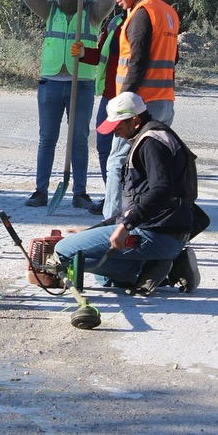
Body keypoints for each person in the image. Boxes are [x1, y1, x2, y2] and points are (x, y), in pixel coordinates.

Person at [54, 92, 199, 293]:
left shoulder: (152, 143)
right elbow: (138, 202)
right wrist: (95, 230)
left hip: (158, 234)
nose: (115, 133)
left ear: (135, 121)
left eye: (118, 126)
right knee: (103, 279)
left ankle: (147, 270)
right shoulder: (153, 135)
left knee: (64, 251)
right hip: (167, 232)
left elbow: (162, 190)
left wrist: (126, 226)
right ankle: (154, 268)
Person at [22, 0, 114, 210]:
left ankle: (80, 193)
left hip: (80, 83)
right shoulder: (50, 9)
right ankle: (40, 191)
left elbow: (108, 0)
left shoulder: (93, 12)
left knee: (79, 140)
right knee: (47, 138)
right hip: (51, 82)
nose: (65, 1)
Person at [101, 0, 180, 220]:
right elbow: (173, 58)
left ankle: (111, 221)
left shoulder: (141, 14)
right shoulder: (167, 11)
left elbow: (137, 60)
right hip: (164, 100)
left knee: (118, 161)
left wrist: (124, 103)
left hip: (139, 104)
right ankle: (144, 219)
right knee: (152, 163)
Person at [71, 0, 125, 215]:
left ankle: (128, 199)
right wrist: (84, 53)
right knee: (104, 147)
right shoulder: (115, 22)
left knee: (126, 154)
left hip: (131, 98)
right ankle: (111, 195)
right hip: (109, 96)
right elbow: (102, 54)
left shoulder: (143, 20)